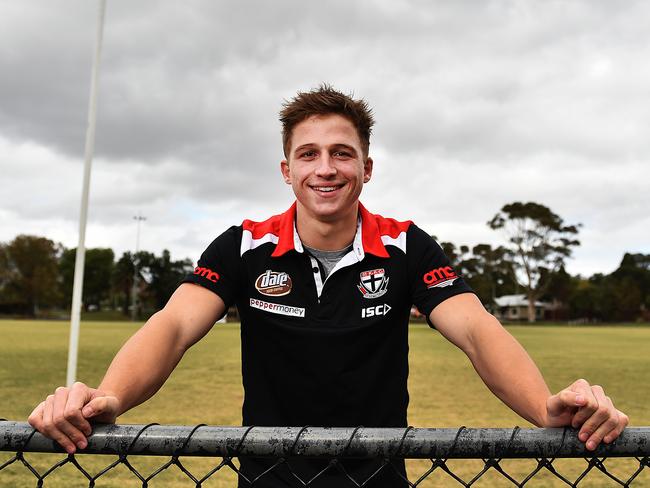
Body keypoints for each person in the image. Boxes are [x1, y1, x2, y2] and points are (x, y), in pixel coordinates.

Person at [29, 85, 628, 487]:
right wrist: (109, 397)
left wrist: (542, 407)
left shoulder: (406, 245)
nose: (326, 168)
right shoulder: (242, 244)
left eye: (343, 153)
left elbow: (475, 329)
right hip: (268, 476)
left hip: (380, 473)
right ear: (286, 169)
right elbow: (174, 325)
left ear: (366, 168)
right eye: (308, 154)